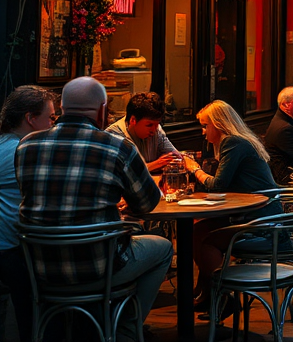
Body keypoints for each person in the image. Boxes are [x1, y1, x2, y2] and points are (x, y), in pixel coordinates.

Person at [16, 77, 172, 335]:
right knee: (163, 248)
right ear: (102, 110)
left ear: (62, 108)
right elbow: (147, 203)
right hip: (99, 267)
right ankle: (126, 329)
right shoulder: (118, 147)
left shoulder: (26, 146)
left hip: (42, 268)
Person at [182, 100, 280, 311]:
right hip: (253, 212)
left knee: (206, 239)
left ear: (218, 124)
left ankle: (223, 296)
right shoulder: (238, 141)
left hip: (261, 219)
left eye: (205, 125)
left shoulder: (233, 142)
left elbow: (218, 185)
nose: (203, 131)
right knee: (197, 231)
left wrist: (194, 169)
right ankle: (209, 293)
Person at [0, 86, 56, 342]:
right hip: (14, 249)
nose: (54, 124)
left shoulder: (5, 144)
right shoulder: (25, 151)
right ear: (31, 119)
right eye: (51, 117)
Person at [106, 91, 181, 172]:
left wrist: (174, 159)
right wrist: (156, 164)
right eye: (149, 125)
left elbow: (176, 157)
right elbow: (120, 172)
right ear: (133, 120)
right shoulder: (113, 135)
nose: (154, 130)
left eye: (157, 124)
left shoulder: (156, 130)